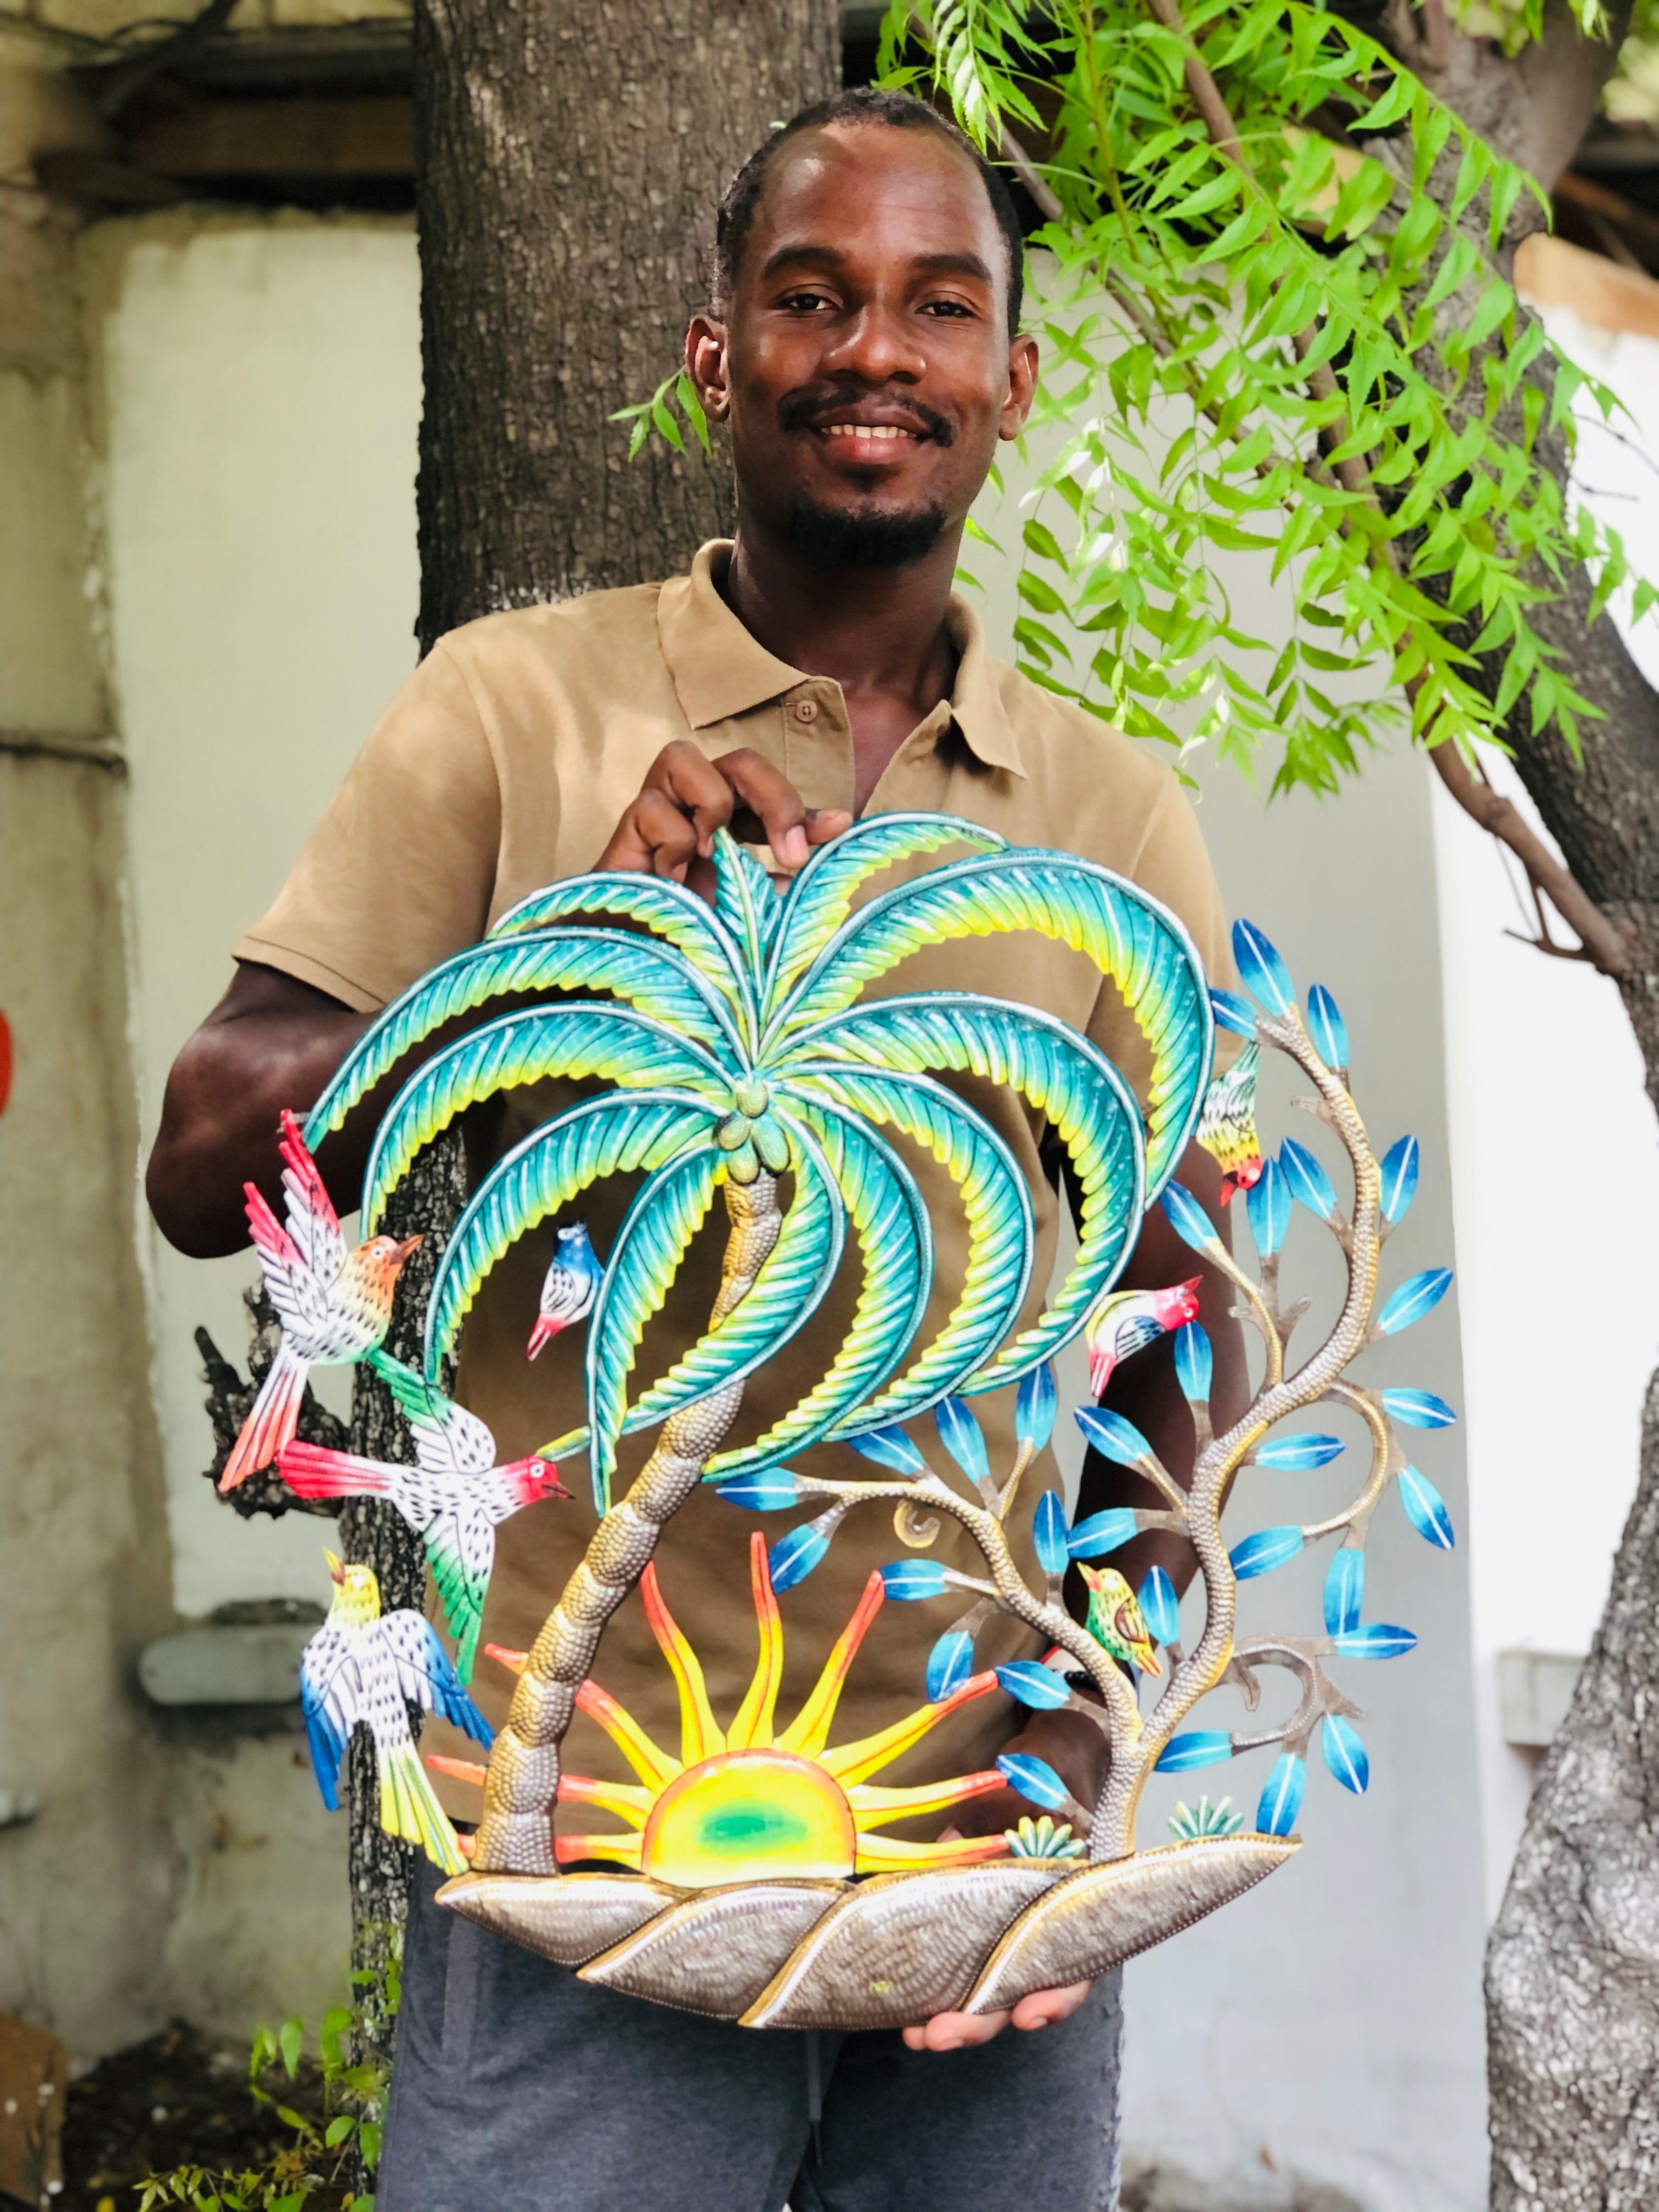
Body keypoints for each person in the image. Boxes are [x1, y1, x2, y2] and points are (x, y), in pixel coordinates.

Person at [149, 86, 1244, 2212]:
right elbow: (205, 1156)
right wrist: (560, 965)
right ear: (712, 359)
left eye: (939, 308)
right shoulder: (510, 714)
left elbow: (1179, 1322)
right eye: (811, 299)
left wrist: (1090, 1772)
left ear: (1011, 384)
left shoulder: (1111, 820)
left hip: (972, 1865)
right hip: (579, 1847)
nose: (874, 354)